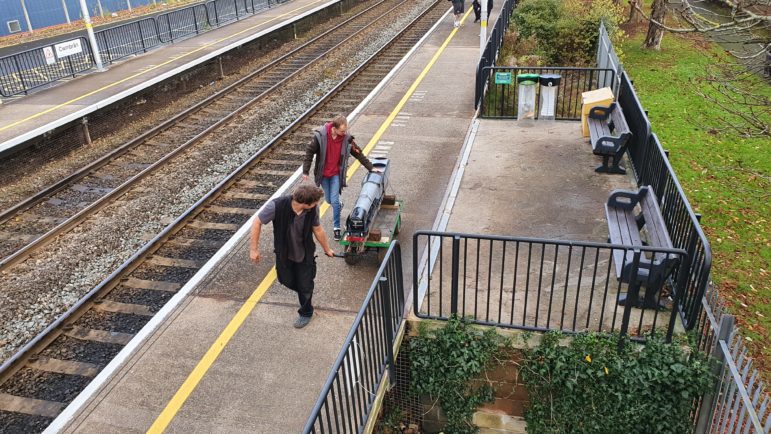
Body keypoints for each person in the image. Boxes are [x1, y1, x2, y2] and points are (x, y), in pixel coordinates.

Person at [250, 184, 335, 329]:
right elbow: (257, 222)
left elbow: (318, 229)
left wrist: (327, 249)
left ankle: (306, 312)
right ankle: (305, 290)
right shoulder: (276, 206)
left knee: (305, 284)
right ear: (305, 203)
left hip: (305, 255)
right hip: (284, 254)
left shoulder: (312, 210)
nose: (317, 204)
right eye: (315, 202)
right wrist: (253, 249)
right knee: (285, 280)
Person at [302, 115, 376, 242]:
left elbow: (358, 153)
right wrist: (305, 171)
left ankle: (336, 227)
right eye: (342, 131)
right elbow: (309, 153)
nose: (345, 133)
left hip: (336, 174)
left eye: (345, 130)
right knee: (330, 200)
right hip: (323, 175)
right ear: (334, 129)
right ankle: (339, 205)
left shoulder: (346, 139)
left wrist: (371, 168)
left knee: (334, 201)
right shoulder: (321, 137)